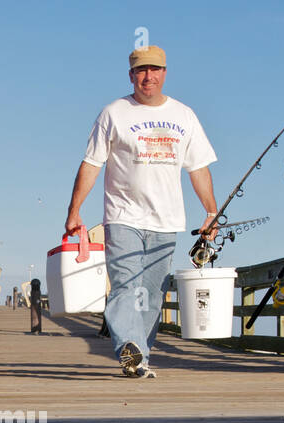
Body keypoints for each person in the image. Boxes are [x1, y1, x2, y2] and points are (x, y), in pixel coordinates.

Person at [64, 45, 219, 379]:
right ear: (131, 75)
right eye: (141, 71)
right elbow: (91, 164)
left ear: (165, 73)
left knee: (151, 295)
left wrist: (211, 212)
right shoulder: (114, 113)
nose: (148, 77)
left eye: (155, 70)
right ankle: (128, 347)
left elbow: (199, 169)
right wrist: (74, 210)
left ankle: (139, 357)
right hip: (123, 217)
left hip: (167, 221)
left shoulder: (184, 116)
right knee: (124, 285)